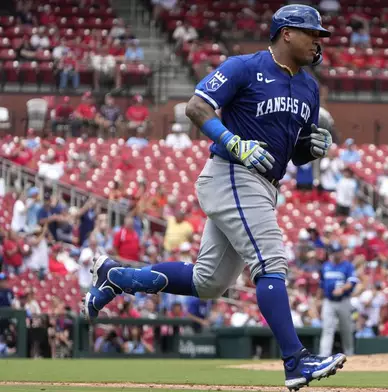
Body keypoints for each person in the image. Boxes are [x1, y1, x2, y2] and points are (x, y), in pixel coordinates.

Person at [81, 5, 346, 390]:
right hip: (232, 173)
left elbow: (297, 149)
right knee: (271, 260)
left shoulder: (308, 86)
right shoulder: (244, 66)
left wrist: (312, 148)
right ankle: (296, 361)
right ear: (286, 33)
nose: (319, 41)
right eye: (312, 33)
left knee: (209, 283)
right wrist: (233, 142)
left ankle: (118, 277)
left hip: (264, 183)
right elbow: (196, 106)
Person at [318, 243, 357, 357]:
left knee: (346, 329)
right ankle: (324, 355)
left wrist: (342, 289)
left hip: (343, 300)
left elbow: (352, 282)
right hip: (329, 301)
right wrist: (317, 300)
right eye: (334, 252)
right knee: (327, 328)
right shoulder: (325, 266)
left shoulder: (347, 266)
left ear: (341, 252)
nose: (336, 254)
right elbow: (321, 285)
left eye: (338, 252)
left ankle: (349, 353)